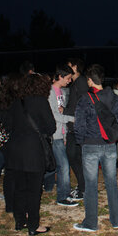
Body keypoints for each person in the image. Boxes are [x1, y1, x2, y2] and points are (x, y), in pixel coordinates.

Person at [73, 64, 118, 232]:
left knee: (90, 185)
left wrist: (81, 141)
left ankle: (90, 223)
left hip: (90, 145)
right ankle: (116, 220)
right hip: (109, 146)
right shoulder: (112, 97)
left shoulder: (84, 99)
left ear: (90, 80)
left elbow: (79, 125)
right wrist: (116, 137)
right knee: (111, 183)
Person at [2, 73, 55, 235]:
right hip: (33, 151)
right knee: (34, 190)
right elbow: (51, 127)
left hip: (15, 150)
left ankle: (20, 221)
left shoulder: (17, 102)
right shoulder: (41, 102)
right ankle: (34, 225)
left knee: (20, 188)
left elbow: (8, 124)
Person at [48, 64, 77, 206]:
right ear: (60, 76)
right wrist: (71, 118)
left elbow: (62, 111)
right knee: (64, 165)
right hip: (54, 134)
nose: (69, 81)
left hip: (61, 133)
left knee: (62, 165)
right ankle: (62, 196)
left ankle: (65, 191)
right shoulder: (50, 92)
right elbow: (54, 115)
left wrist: (65, 135)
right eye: (68, 78)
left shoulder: (62, 91)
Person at [63, 58, 88, 200]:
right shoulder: (76, 83)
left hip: (79, 126)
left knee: (74, 156)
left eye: (69, 66)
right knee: (75, 156)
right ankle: (82, 186)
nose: (67, 69)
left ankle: (83, 188)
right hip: (74, 125)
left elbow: (83, 105)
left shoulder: (81, 82)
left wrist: (67, 112)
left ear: (75, 66)